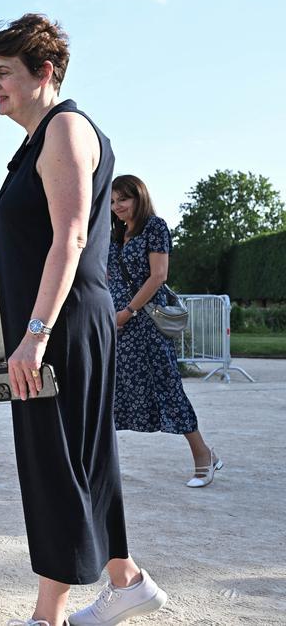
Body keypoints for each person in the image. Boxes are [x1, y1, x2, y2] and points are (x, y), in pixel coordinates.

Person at [0, 14, 167, 625]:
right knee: (83, 455)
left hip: (58, 325)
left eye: (3, 72)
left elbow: (71, 238)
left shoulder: (64, 128)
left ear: (45, 72)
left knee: (55, 460)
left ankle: (49, 616)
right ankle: (126, 580)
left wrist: (34, 336)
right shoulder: (44, 137)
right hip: (63, 320)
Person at [109, 174, 222, 487]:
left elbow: (158, 276)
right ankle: (103, 464)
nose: (117, 206)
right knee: (111, 390)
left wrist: (128, 312)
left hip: (144, 322)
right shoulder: (115, 233)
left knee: (167, 386)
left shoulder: (154, 227)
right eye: (113, 200)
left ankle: (203, 455)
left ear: (139, 197)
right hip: (117, 325)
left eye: (123, 199)